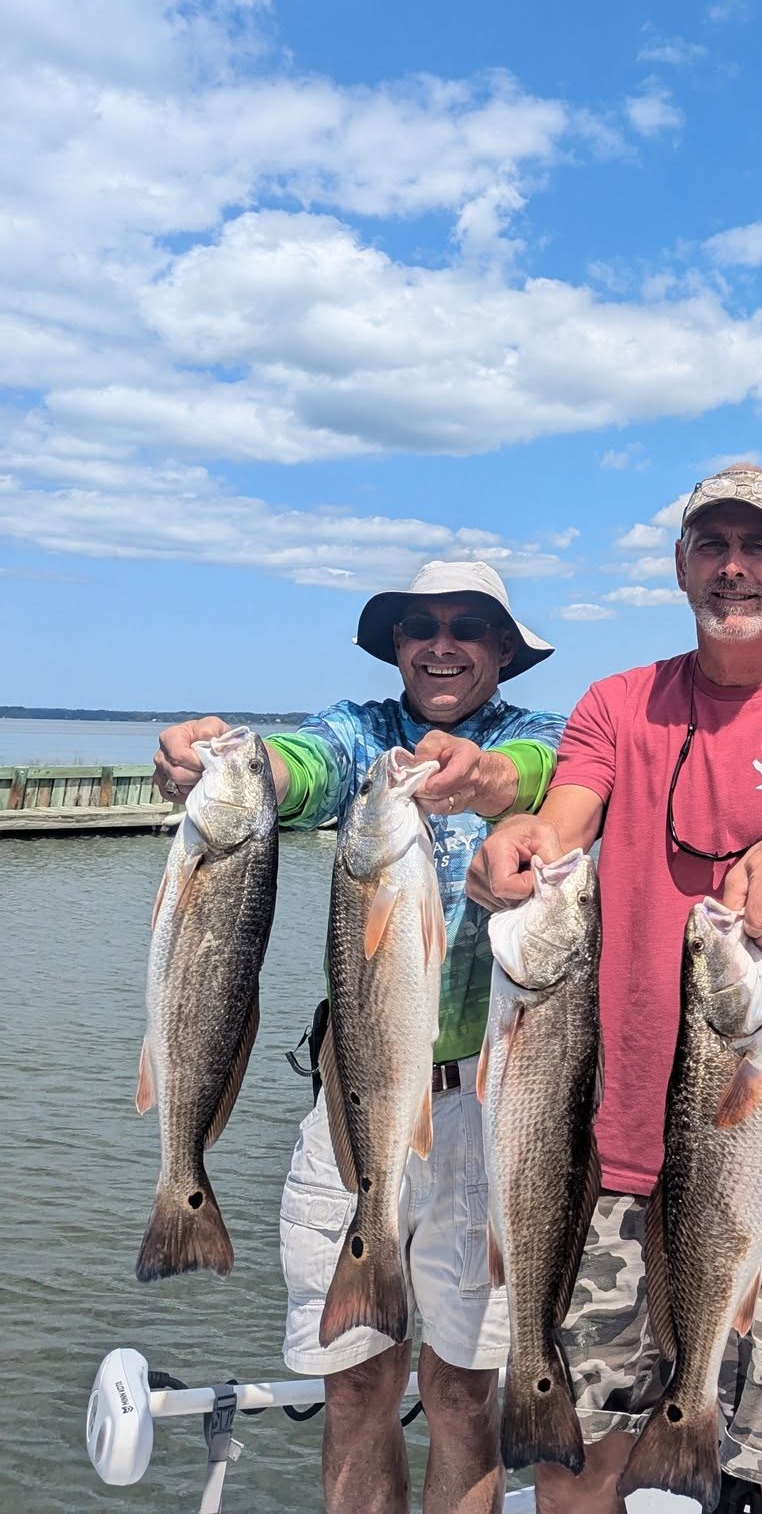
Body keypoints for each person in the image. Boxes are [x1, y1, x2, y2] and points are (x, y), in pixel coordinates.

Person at [470, 464, 762, 1514]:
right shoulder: (619, 702)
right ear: (679, 567)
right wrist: (525, 844)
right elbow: (568, 814)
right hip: (611, 1151)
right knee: (579, 1467)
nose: (735, 567)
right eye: (712, 545)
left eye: (760, 546)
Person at [153, 559, 565, 1514]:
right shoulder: (364, 735)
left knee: (465, 1395)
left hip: (492, 1114)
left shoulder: (543, 739)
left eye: (468, 626)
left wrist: (491, 780)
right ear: (396, 648)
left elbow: (549, 773)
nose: (442, 643)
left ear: (504, 651)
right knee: (355, 1388)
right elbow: (305, 766)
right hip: (354, 1103)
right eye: (420, 626)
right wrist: (226, 760)